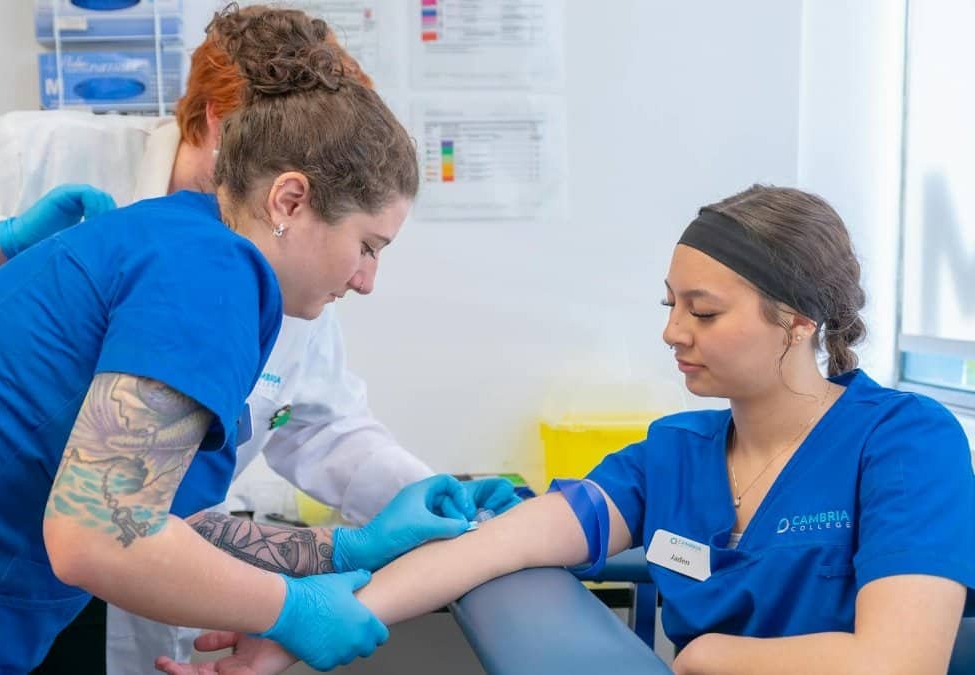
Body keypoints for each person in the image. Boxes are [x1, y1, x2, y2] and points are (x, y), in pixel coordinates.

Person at [0, 5, 520, 673]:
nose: (367, 281)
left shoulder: (217, 253)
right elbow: (100, 529)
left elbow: (157, 493)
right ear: (283, 190)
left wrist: (347, 544)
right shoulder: (203, 261)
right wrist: (289, 607)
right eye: (366, 247)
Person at [162, 185, 975, 675]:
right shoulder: (674, 453)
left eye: (704, 312)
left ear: (796, 320)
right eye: (670, 306)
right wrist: (296, 628)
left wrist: (708, 657)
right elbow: (494, 545)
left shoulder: (906, 440)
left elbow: (898, 659)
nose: (672, 334)